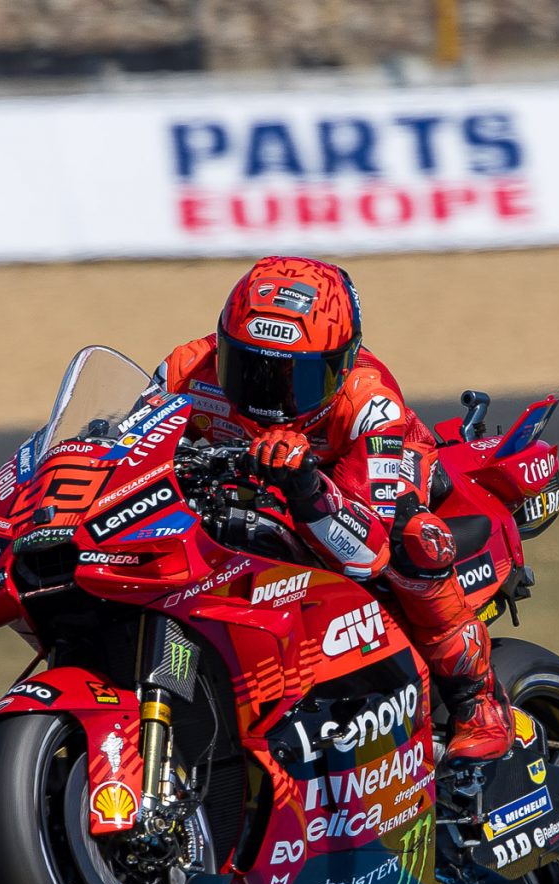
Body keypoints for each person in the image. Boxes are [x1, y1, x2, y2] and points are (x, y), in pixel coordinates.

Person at [144, 256, 516, 762]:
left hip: (364, 489)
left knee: (414, 542)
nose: (266, 397)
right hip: (243, 496)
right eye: (249, 369)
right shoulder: (185, 371)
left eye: (292, 380)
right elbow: (129, 446)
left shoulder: (369, 402)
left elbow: (370, 551)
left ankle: (478, 702)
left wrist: (304, 486)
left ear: (340, 366)